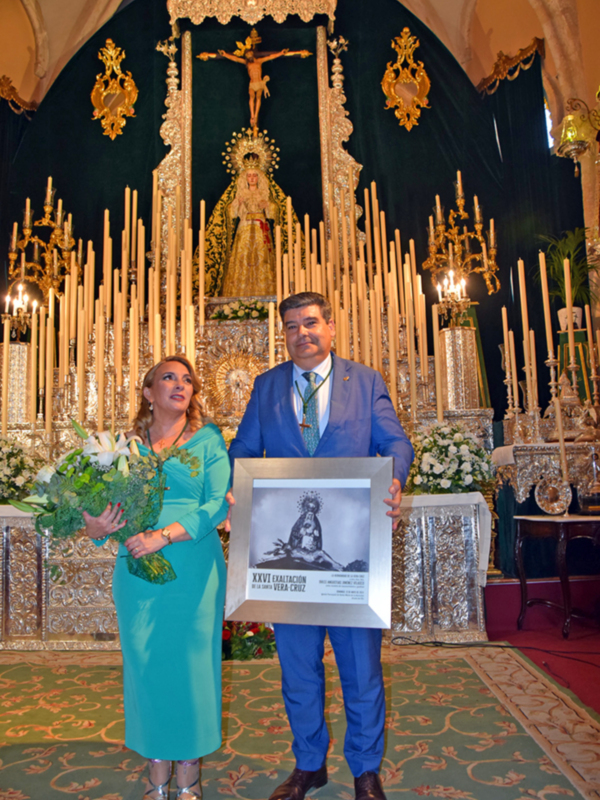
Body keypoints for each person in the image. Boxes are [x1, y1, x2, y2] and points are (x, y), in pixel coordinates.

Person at [228, 292, 414, 800]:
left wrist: (393, 481)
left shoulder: (366, 380)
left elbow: (396, 444)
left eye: (311, 323)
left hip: (351, 553)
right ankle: (309, 764)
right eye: (291, 326)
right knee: (298, 667)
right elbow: (243, 448)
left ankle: (365, 769)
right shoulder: (266, 387)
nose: (302, 333)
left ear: (331, 327)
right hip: (289, 562)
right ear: (283, 334)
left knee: (361, 669)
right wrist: (235, 485)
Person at [82, 355, 230, 800]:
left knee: (190, 668)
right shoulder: (122, 447)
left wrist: (163, 536)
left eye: (187, 380)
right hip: (136, 571)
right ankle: (156, 768)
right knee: (145, 665)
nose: (180, 385)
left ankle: (188, 774)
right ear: (148, 392)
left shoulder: (208, 441)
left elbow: (219, 503)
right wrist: (94, 526)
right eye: (169, 377)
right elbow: (98, 505)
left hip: (193, 568)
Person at [221, 167, 277, 297]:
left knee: (262, 258)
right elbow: (231, 213)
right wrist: (238, 203)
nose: (252, 178)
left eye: (254, 176)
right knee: (243, 257)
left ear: (259, 178)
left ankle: (265, 292)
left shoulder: (264, 193)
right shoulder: (241, 193)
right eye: (249, 176)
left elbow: (275, 211)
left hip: (260, 227)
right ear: (245, 179)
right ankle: (240, 294)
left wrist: (267, 206)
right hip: (245, 226)